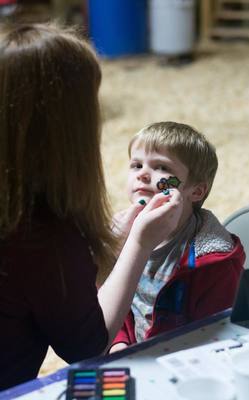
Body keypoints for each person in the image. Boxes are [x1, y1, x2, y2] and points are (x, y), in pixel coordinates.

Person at [0, 24, 183, 390]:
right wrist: (139, 244)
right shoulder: (41, 233)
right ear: (71, 129)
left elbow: (48, 289)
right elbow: (86, 345)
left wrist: (100, 247)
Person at [110, 121, 245, 352]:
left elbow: (214, 336)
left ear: (196, 191)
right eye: (136, 164)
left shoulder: (214, 262)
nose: (142, 174)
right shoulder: (120, 234)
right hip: (131, 353)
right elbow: (109, 296)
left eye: (161, 167)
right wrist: (119, 342)